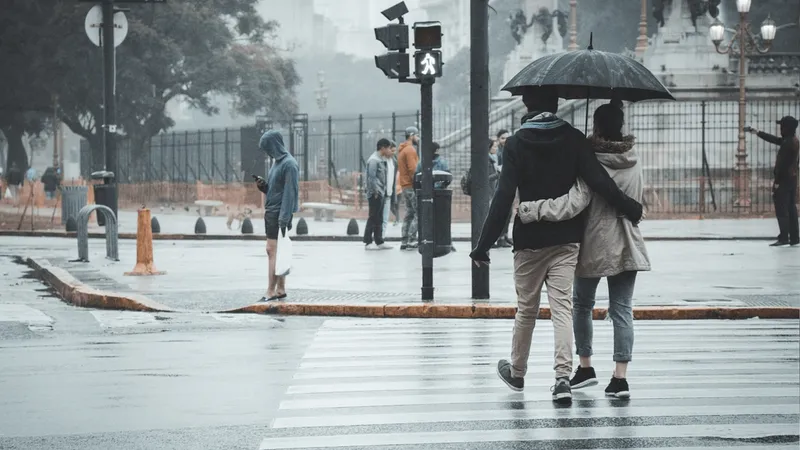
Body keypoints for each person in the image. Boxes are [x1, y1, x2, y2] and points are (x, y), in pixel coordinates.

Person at [469, 88, 643, 405]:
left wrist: (483, 245)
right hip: (566, 240)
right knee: (562, 309)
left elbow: (503, 197)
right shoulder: (574, 139)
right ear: (557, 103)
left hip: (529, 241)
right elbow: (599, 182)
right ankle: (562, 379)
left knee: (527, 310)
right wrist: (629, 206)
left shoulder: (516, 143)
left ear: (526, 104)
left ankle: (518, 373)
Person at [517, 102, 652, 399]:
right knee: (622, 311)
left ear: (597, 126)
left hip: (594, 240)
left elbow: (577, 201)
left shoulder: (591, 159)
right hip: (628, 240)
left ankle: (586, 366)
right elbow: (638, 198)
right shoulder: (634, 157)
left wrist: (534, 210)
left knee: (580, 305)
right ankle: (620, 378)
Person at [256, 130, 299, 302]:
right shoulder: (278, 163)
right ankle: (280, 289)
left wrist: (283, 218)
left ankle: (270, 291)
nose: (267, 152)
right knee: (278, 252)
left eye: (268, 148)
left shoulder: (289, 164)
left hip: (279, 214)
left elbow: (290, 193)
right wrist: (264, 187)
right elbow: (277, 190)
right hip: (275, 212)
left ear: (275, 145)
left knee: (271, 251)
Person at [746, 116, 799, 247]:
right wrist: (757, 132)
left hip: (784, 180)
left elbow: (783, 166)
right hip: (792, 179)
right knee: (791, 208)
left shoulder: (788, 144)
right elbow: (775, 140)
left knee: (782, 209)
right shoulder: (792, 140)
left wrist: (777, 182)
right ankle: (794, 237)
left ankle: (783, 238)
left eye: (782, 126)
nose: (780, 128)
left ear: (787, 128)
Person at [364, 138, 395, 250]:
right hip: (375, 193)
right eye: (388, 148)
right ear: (382, 148)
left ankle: (379, 240)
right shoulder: (374, 160)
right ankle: (368, 241)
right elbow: (371, 178)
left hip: (381, 192)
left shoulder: (381, 159)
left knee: (380, 218)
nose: (389, 150)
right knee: (373, 217)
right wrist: (376, 192)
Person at [397, 126, 420, 250]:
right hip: (411, 186)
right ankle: (412, 239)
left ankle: (404, 240)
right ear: (411, 135)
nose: (418, 138)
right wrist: (418, 183)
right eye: (417, 135)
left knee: (409, 213)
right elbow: (413, 170)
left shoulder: (402, 150)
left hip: (404, 186)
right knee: (419, 213)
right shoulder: (410, 150)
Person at [495, 129, 514, 248]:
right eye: (502, 138)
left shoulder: (510, 149)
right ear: (498, 139)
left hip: (508, 183)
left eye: (507, 137)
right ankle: (501, 237)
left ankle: (505, 235)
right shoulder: (497, 152)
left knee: (509, 212)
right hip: (500, 185)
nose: (505, 140)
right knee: (503, 212)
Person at [382, 141, 398, 238]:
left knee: (385, 219)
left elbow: (393, 180)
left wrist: (393, 195)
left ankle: (381, 238)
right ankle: (374, 239)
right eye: (392, 150)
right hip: (380, 193)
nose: (393, 153)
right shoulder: (380, 161)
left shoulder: (394, 162)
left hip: (388, 193)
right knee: (376, 218)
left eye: (395, 151)